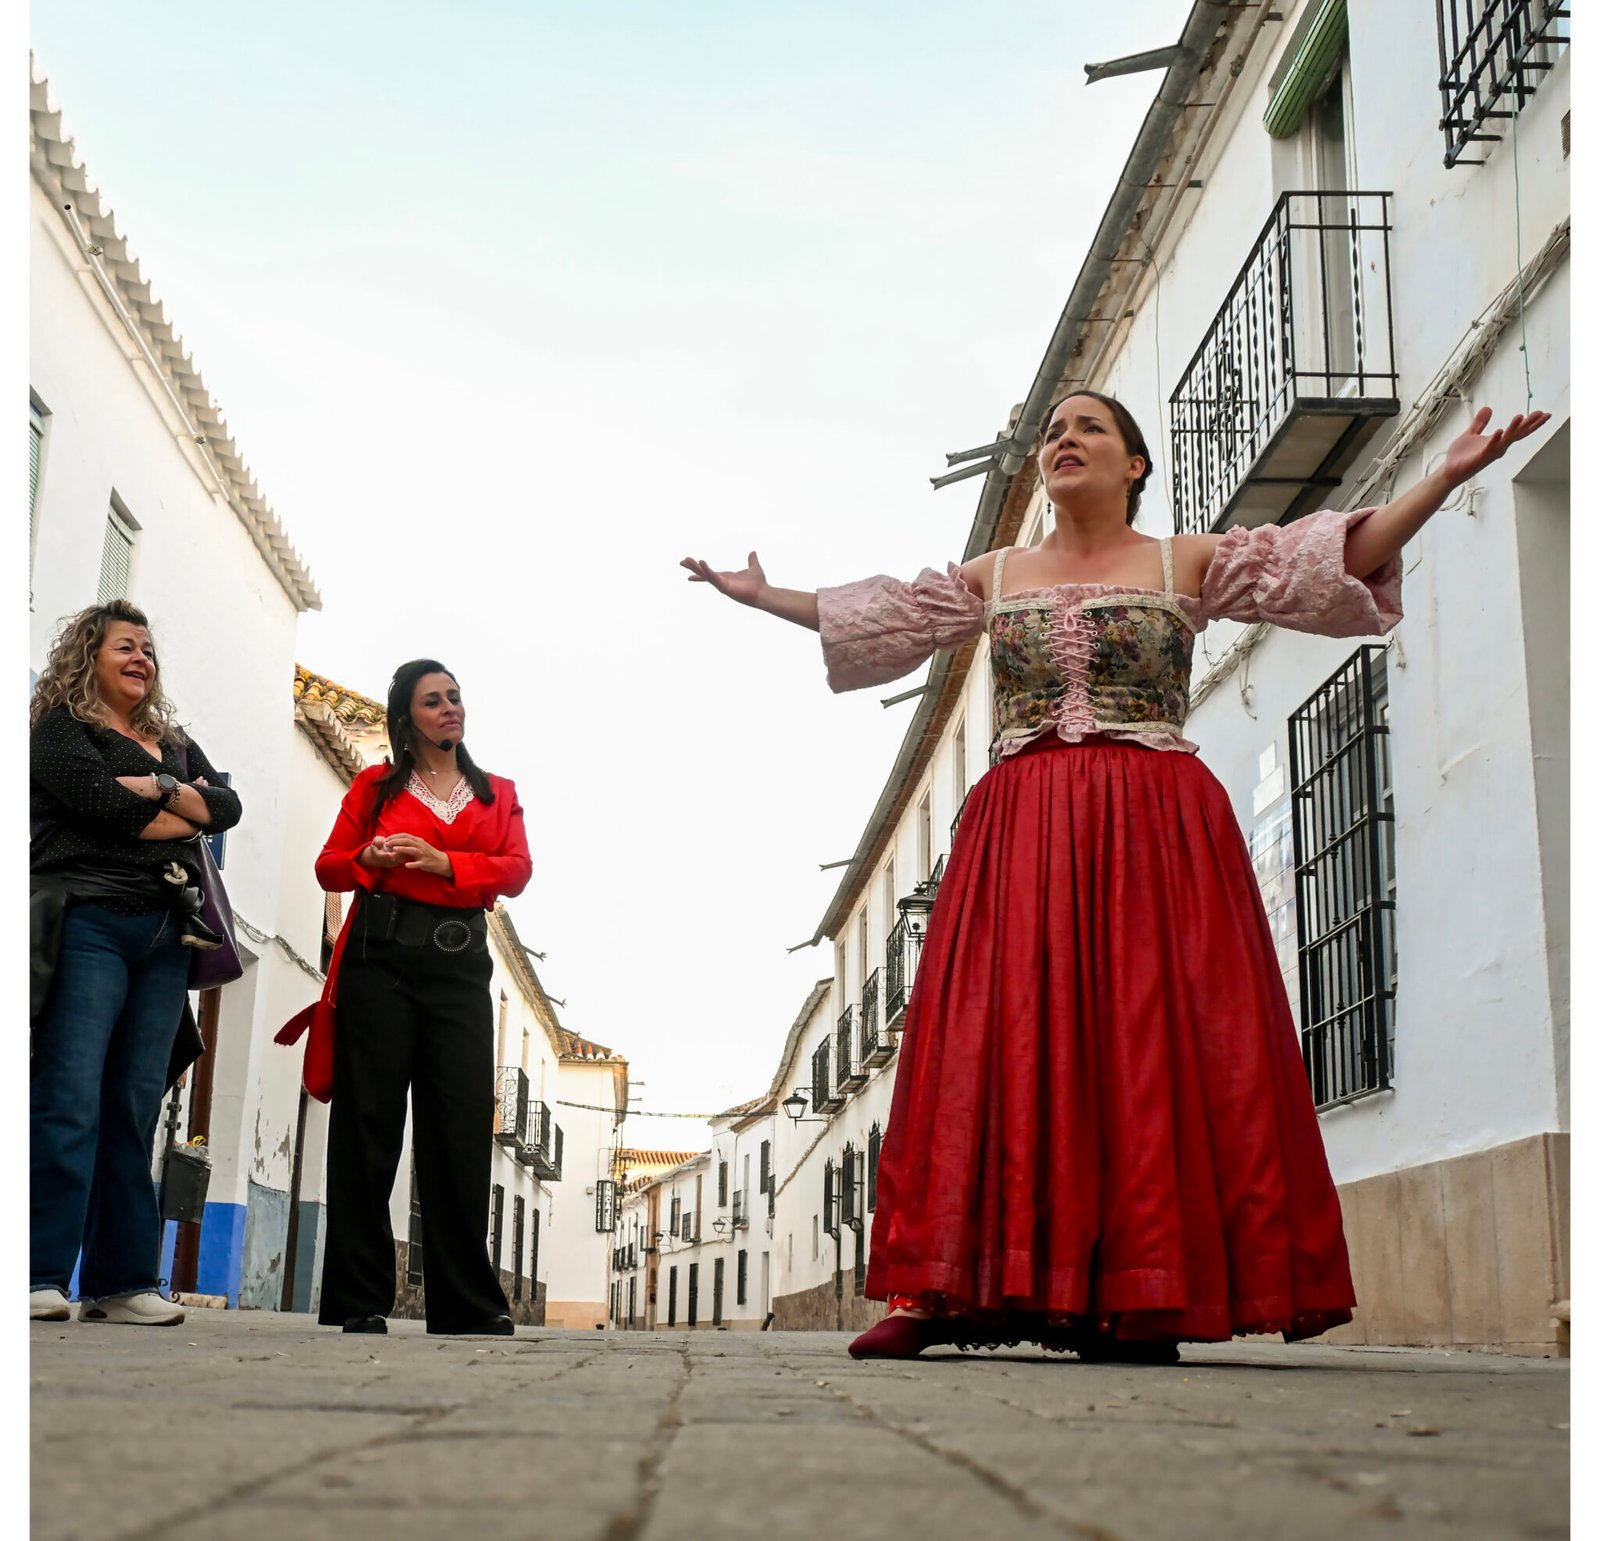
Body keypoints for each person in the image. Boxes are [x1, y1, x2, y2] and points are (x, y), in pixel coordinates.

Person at [683, 396, 1549, 1362]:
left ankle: (1140, 1294)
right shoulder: (996, 575)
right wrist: (765, 598)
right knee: (998, 1037)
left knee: (1145, 1043)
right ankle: (941, 1293)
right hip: (1020, 830)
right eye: (1055, 429)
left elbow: (1331, 556)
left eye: (1090, 427)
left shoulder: (1186, 562)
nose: (1065, 440)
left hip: (1155, 829)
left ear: (1135, 463)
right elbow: (882, 612)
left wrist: (1445, 475)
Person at [30, 600, 242, 1326]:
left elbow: (229, 804)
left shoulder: (172, 741)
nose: (141, 657)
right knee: (68, 1096)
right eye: (125, 645)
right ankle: (37, 1271)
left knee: (134, 1107)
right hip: (89, 919)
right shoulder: (63, 727)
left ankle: (122, 1282)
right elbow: (93, 800)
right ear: (89, 654)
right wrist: (183, 810)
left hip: (165, 937)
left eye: (149, 648)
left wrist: (155, 789)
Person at [307, 658, 532, 1336]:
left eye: (455, 697)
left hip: (459, 968)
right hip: (381, 959)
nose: (449, 709)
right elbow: (328, 864)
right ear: (407, 719)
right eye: (433, 701)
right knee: (368, 1124)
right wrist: (366, 861)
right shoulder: (375, 787)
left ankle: (465, 1302)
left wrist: (445, 863)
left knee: (460, 1127)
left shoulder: (497, 793)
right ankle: (358, 1297)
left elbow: (517, 870)